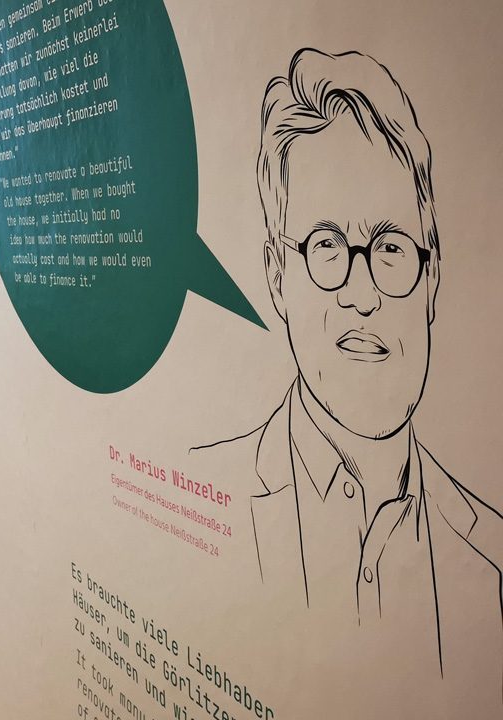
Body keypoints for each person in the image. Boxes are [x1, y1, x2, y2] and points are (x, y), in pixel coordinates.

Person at [192, 49, 503, 684]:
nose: (363, 294)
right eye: (328, 246)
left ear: (431, 278)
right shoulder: (201, 495)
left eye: (390, 248)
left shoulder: (492, 554)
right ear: (278, 276)